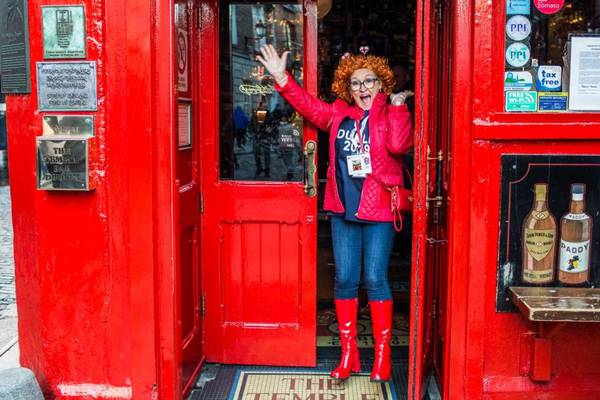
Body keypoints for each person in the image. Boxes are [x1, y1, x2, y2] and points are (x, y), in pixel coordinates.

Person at [258, 44, 413, 382]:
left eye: (369, 81)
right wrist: (282, 78)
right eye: (356, 83)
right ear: (348, 86)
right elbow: (308, 106)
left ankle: (383, 358)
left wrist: (400, 108)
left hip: (380, 211)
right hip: (343, 209)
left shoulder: (391, 113)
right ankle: (349, 354)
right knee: (345, 279)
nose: (363, 89)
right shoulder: (339, 115)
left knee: (374, 279)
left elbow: (400, 147)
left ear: (381, 83)